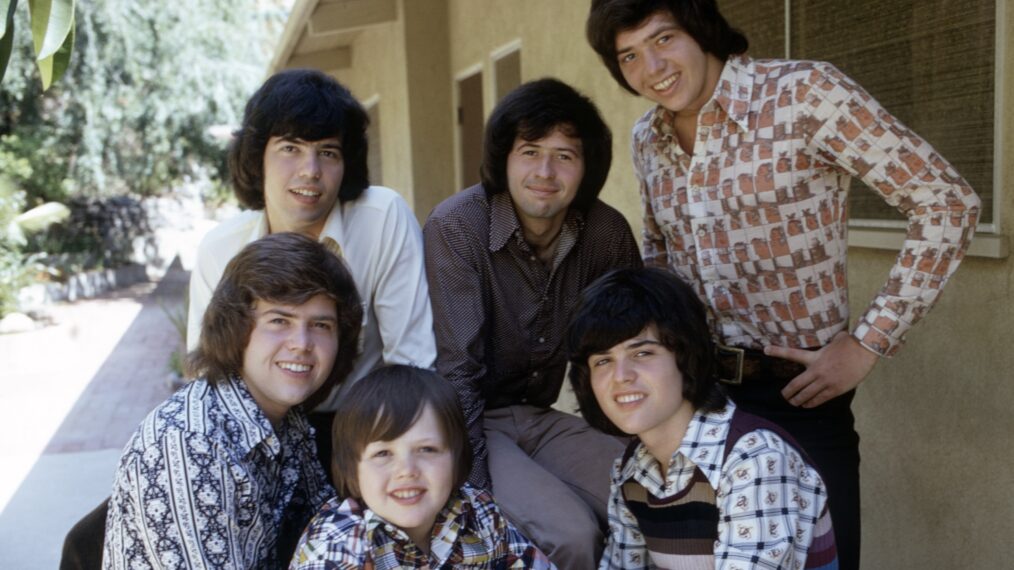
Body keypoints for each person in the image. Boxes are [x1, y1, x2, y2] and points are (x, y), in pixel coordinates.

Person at [585, 1, 980, 567]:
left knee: (822, 558)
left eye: (664, 39)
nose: (652, 66)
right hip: (696, 398)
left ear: (700, 29)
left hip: (801, 393)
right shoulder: (648, 137)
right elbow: (661, 253)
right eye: (629, 55)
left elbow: (947, 202)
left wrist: (869, 342)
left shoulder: (805, 95)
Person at [423, 78, 642, 569]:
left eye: (565, 156)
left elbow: (621, 348)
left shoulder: (605, 233)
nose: (545, 171)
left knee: (654, 499)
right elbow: (459, 371)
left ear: (587, 168)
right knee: (572, 535)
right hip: (470, 420)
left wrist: (637, 445)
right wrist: (474, 494)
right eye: (530, 151)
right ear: (504, 158)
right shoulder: (458, 226)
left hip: (541, 417)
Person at [187, 68, 436, 458]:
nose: (311, 170)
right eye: (290, 148)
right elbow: (208, 376)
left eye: (328, 152)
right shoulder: (220, 249)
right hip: (252, 434)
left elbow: (413, 362)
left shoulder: (381, 217)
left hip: (359, 430)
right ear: (257, 158)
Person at [103, 232, 363, 568]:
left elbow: (333, 535)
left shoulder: (287, 420)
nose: (302, 343)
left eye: (321, 325)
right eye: (279, 320)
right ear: (236, 329)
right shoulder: (189, 444)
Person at [568, 267, 839, 569]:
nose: (621, 376)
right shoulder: (632, 471)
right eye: (603, 361)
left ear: (686, 356)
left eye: (642, 353)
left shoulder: (755, 460)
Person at [290, 365, 554, 569]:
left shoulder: (477, 510)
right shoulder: (338, 550)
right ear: (352, 469)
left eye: (426, 450)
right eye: (383, 453)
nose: (406, 470)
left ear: (457, 457)